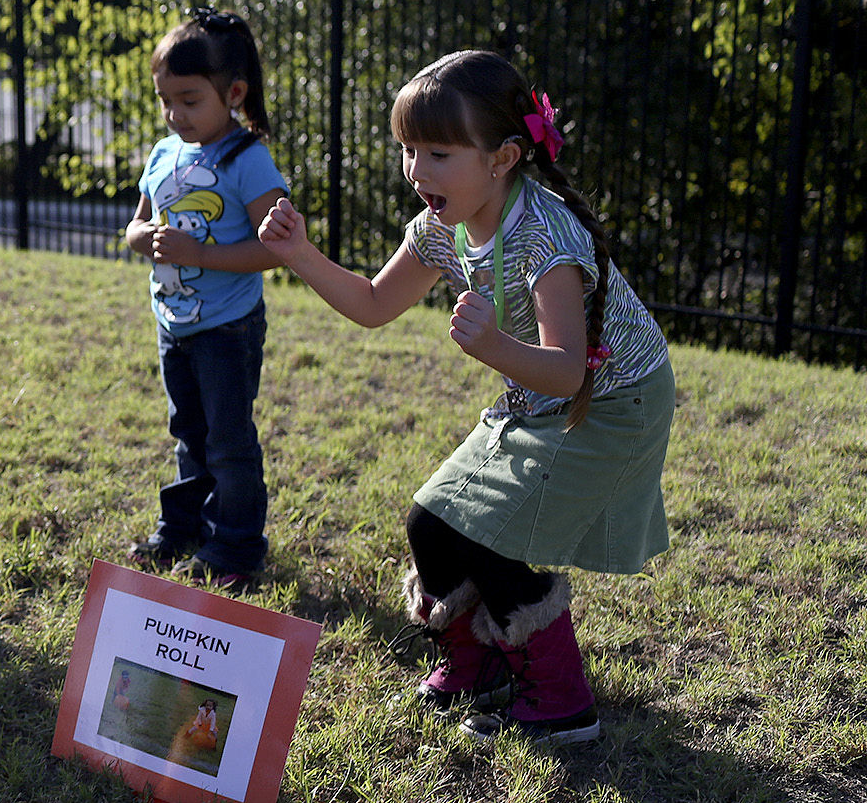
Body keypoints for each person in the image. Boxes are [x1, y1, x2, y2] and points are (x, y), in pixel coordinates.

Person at [258, 49, 674, 746]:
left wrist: (494, 350)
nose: (417, 170)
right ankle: (479, 667)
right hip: (538, 393)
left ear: (504, 157)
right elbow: (369, 303)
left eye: (439, 153)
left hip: (613, 402)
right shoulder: (440, 229)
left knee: (491, 529)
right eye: (409, 149)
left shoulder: (544, 237)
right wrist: (299, 253)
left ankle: (563, 699)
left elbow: (571, 370)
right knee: (431, 521)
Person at [123, 9, 290, 592]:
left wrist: (199, 253)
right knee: (188, 430)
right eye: (166, 100)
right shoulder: (165, 152)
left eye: (190, 100)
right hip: (174, 324)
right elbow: (135, 227)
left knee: (228, 438)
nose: (175, 114)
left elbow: (276, 250)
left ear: (233, 93)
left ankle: (237, 545)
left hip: (227, 328)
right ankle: (183, 528)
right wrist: (145, 239)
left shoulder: (248, 160)